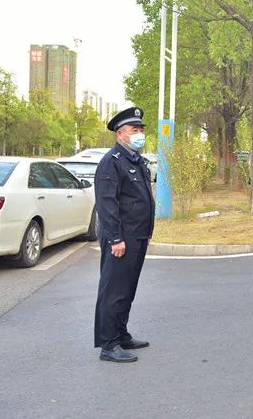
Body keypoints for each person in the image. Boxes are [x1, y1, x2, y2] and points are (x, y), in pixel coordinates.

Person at [94, 107, 155, 363]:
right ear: (121, 134)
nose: (139, 134)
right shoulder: (112, 161)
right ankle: (108, 344)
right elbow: (107, 205)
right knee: (114, 291)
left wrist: (147, 231)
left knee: (127, 289)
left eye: (141, 130)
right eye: (134, 130)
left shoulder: (135, 160)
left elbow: (143, 200)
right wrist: (116, 239)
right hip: (122, 238)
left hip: (137, 236)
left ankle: (121, 334)